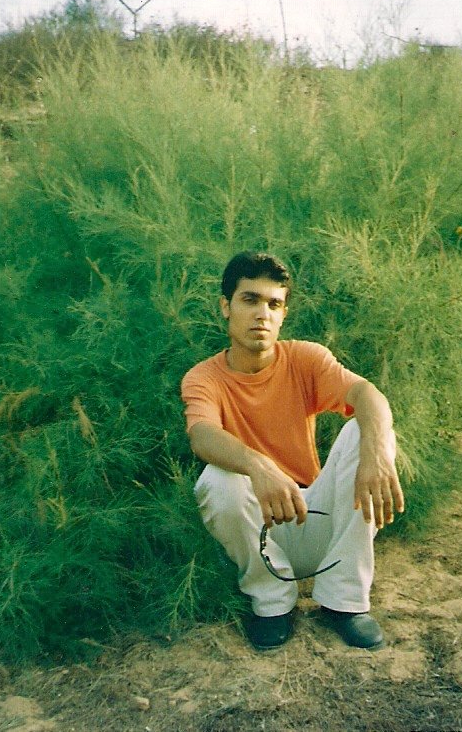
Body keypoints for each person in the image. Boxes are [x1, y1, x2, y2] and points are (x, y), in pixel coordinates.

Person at [181, 251, 405, 651]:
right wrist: (259, 466)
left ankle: (345, 601)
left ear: (284, 314)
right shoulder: (204, 378)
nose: (262, 314)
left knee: (369, 431)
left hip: (315, 519)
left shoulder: (304, 358)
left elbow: (367, 394)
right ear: (225, 307)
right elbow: (202, 436)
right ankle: (271, 604)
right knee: (217, 480)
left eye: (274, 304)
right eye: (250, 300)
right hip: (261, 532)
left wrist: (375, 455)